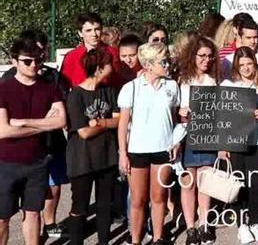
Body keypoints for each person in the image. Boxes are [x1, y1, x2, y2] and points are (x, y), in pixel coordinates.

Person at [0, 38, 66, 245]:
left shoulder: (49, 87)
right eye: (27, 61)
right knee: (2, 218)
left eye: (37, 61)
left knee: (33, 214)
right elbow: (3, 131)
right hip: (6, 163)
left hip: (38, 162)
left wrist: (21, 123)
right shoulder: (3, 89)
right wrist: (44, 122)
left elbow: (61, 121)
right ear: (14, 61)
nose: (33, 65)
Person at [116, 42, 180, 245]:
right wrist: (123, 153)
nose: (167, 65)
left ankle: (159, 237)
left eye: (167, 60)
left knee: (159, 196)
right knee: (137, 200)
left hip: (163, 149)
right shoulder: (131, 88)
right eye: (163, 61)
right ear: (150, 64)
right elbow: (123, 123)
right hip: (138, 151)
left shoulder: (172, 86)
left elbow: (177, 118)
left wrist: (177, 141)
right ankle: (135, 239)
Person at [220, 47, 258, 244]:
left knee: (257, 184)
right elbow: (222, 117)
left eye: (249, 64)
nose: (245, 68)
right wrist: (222, 145)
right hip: (236, 142)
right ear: (236, 65)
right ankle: (241, 225)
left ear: (255, 63)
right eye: (241, 65)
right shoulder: (228, 84)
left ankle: (255, 221)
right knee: (238, 184)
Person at [65, 48, 119, 245]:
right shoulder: (75, 96)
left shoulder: (109, 91)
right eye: (109, 64)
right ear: (98, 68)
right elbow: (83, 132)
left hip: (107, 157)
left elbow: (119, 120)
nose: (112, 67)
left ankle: (104, 241)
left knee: (105, 205)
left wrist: (100, 123)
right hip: (82, 160)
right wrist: (105, 124)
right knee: (80, 205)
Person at [177, 37, 220, 245]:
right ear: (192, 56)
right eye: (202, 55)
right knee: (188, 182)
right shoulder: (182, 80)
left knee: (205, 181)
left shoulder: (215, 79)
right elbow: (172, 107)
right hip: (186, 134)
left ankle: (204, 223)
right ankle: (190, 227)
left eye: (210, 56)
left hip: (208, 133)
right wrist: (180, 111)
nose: (206, 59)